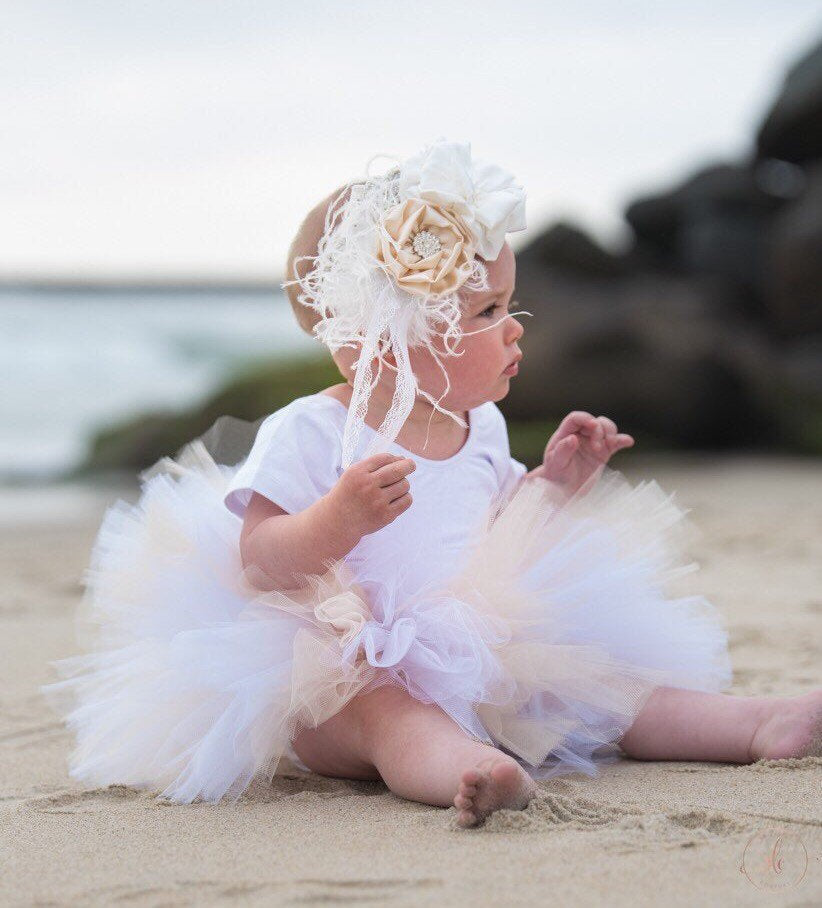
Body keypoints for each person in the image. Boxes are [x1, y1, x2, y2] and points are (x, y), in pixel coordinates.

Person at [44, 141, 822, 828]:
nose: (516, 326)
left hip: (481, 646)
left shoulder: (477, 424)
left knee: (608, 689)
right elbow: (258, 561)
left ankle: (761, 724)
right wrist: (336, 520)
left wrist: (552, 484)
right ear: (385, 337)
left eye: (508, 304)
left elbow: (498, 534)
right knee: (390, 714)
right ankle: (470, 772)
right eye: (486, 311)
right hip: (337, 667)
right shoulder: (311, 432)